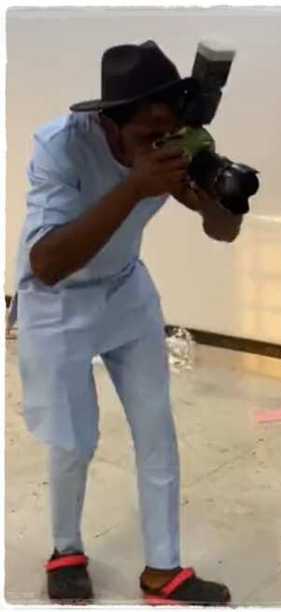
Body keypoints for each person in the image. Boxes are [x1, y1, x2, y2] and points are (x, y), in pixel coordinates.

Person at [15, 41, 241, 604]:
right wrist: (135, 185)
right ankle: (65, 549)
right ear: (110, 126)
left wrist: (218, 192)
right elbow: (46, 265)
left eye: (169, 131)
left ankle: (164, 571)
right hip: (59, 301)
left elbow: (223, 231)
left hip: (126, 292)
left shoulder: (172, 145)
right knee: (73, 439)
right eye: (147, 134)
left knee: (156, 430)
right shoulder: (60, 148)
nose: (160, 144)